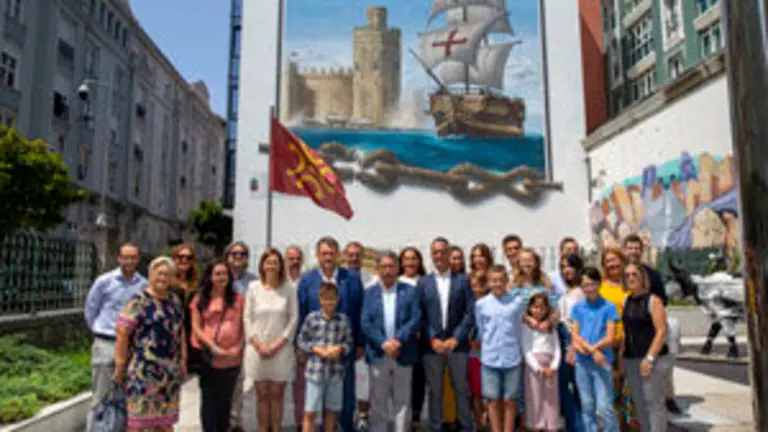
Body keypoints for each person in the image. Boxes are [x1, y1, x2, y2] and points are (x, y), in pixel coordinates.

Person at [296, 236, 365, 432]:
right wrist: (301, 348)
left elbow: (360, 311)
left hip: (343, 352)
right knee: (313, 404)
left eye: (332, 253)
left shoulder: (352, 279)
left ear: (338, 255)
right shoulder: (307, 281)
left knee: (345, 397)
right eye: (324, 253)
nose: (328, 257)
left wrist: (360, 343)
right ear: (317, 255)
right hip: (316, 354)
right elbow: (301, 313)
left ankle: (345, 428)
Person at [114, 256, 186, 432]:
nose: (162, 278)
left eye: (167, 274)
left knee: (164, 423)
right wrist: (120, 365)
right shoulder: (138, 301)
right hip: (143, 371)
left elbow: (180, 331)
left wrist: (183, 359)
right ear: (151, 274)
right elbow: (122, 332)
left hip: (169, 373)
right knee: (137, 422)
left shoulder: (174, 301)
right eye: (159, 273)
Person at [84, 242, 147, 432]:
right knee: (101, 395)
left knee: (126, 397)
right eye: (126, 257)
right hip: (106, 342)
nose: (129, 261)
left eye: (133, 257)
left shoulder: (144, 285)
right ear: (119, 258)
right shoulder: (104, 281)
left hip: (131, 345)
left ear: (138, 259)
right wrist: (100, 331)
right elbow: (91, 309)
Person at [361, 251, 421, 432]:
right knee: (378, 401)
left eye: (391, 266)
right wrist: (383, 343)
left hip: (403, 353)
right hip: (379, 354)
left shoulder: (410, 291)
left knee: (402, 401)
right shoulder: (369, 293)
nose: (388, 271)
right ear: (377, 269)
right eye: (384, 267)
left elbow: (415, 318)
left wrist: (397, 340)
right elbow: (366, 322)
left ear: (397, 268)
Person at [419, 237, 474, 432]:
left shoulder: (463, 280)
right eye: (435, 252)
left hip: (457, 346)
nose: (439, 256)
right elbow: (420, 315)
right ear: (431, 255)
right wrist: (433, 338)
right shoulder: (423, 282)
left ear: (449, 254)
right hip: (432, 346)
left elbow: (469, 312)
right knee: (435, 390)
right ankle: (435, 427)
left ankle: (466, 426)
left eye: (443, 252)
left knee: (461, 389)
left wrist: (456, 337)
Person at [622, 234, 680, 414]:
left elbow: (662, 301)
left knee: (661, 368)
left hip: (648, 328)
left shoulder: (652, 274)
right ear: (624, 249)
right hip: (626, 331)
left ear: (641, 250)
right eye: (630, 247)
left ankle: (668, 397)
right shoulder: (620, 271)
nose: (633, 251)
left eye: (636, 248)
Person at [244, 249, 298, 432]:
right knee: (262, 395)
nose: (272, 266)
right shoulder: (253, 288)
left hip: (281, 351)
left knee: (276, 395)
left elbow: (293, 318)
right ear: (262, 265)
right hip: (257, 350)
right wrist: (258, 344)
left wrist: (277, 344)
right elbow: (246, 318)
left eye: (275, 262)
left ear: (281, 266)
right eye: (268, 262)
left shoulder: (289, 289)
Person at [190, 260, 245, 432]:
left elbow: (244, 325)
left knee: (225, 403)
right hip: (209, 358)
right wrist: (213, 347)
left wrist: (238, 347)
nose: (222, 277)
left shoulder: (238, 299)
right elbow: (196, 328)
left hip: (232, 359)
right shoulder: (200, 299)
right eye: (217, 274)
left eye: (225, 274)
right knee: (209, 403)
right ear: (210, 276)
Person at [475, 265, 527, 432]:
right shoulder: (481, 304)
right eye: (494, 280)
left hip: (512, 357)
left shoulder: (517, 303)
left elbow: (519, 327)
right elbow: (482, 330)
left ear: (506, 281)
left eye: (500, 280)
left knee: (510, 401)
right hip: (490, 358)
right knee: (492, 400)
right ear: (489, 282)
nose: (497, 284)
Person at [621, 263, 672, 432]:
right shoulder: (626, 300)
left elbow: (661, 330)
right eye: (627, 275)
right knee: (639, 403)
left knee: (654, 403)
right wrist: (622, 358)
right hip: (631, 359)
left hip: (652, 360)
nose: (630, 278)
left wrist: (649, 359)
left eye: (634, 274)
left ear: (643, 277)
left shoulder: (653, 300)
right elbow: (627, 332)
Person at [297, 282, 354, 432]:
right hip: (315, 372)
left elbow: (349, 342)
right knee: (310, 412)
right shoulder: (312, 318)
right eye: (326, 299)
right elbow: (301, 340)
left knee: (331, 411)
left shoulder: (343, 320)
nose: (329, 302)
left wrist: (340, 349)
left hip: (336, 372)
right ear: (320, 300)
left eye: (332, 299)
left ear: (338, 299)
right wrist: (316, 349)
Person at [571, 266, 620, 432]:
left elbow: (610, 337)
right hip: (582, 362)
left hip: (602, 361)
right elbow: (575, 334)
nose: (589, 288)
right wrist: (590, 350)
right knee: (587, 405)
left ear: (599, 284)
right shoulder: (577, 307)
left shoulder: (609, 307)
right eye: (585, 285)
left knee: (605, 406)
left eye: (592, 284)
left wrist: (593, 349)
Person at [225, 241, 258, 432]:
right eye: (234, 254)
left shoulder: (254, 282)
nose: (238, 257)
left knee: (240, 382)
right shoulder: (220, 277)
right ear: (228, 256)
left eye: (242, 254)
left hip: (245, 339)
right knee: (221, 384)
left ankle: (235, 422)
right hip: (222, 339)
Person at [521, 292, 562, 432]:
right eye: (535, 307)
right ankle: (536, 425)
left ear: (547, 309)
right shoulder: (526, 327)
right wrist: (538, 368)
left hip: (551, 367)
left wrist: (554, 366)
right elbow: (526, 349)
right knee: (535, 396)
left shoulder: (551, 328)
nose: (538, 310)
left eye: (542, 308)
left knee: (551, 397)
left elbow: (557, 349)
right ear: (529, 308)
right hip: (534, 367)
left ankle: (551, 425)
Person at [399, 246, 428, 429]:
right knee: (402, 381)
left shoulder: (425, 282)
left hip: (421, 339)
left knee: (419, 379)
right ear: (401, 262)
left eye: (413, 258)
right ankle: (402, 417)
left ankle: (416, 416)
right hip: (402, 339)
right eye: (407, 259)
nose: (410, 262)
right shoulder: (396, 282)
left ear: (419, 261)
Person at [557, 254, 586, 432]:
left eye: (569, 266)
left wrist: (574, 345)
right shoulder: (567, 291)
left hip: (574, 339)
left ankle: (579, 427)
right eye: (562, 267)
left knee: (576, 388)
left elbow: (582, 321)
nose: (566, 270)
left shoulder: (581, 292)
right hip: (562, 337)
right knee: (564, 388)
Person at [170, 244, 200, 375]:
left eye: (189, 257)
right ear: (174, 259)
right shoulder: (167, 282)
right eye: (180, 257)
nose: (184, 260)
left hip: (190, 333)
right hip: (172, 332)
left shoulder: (196, 285)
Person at [469, 271, 490, 431]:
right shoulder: (468, 304)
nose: (477, 289)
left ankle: (489, 421)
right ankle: (479, 423)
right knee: (475, 392)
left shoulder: (491, 303)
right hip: (473, 354)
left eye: (480, 285)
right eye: (474, 286)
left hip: (490, 354)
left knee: (490, 393)